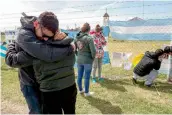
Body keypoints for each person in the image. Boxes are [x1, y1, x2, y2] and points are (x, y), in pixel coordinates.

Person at [5, 12, 75, 114]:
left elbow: (51, 48)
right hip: (30, 82)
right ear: (37, 25)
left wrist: (66, 40)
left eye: (49, 37)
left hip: (44, 82)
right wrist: (69, 47)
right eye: (44, 36)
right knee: (36, 112)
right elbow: (11, 60)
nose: (46, 39)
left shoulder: (46, 30)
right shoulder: (24, 35)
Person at [75, 23, 96, 96]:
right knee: (87, 77)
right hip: (87, 60)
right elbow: (93, 51)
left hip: (79, 60)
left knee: (79, 76)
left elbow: (75, 49)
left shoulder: (76, 38)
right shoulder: (89, 38)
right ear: (89, 30)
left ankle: (80, 90)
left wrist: (78, 55)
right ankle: (86, 92)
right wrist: (92, 58)